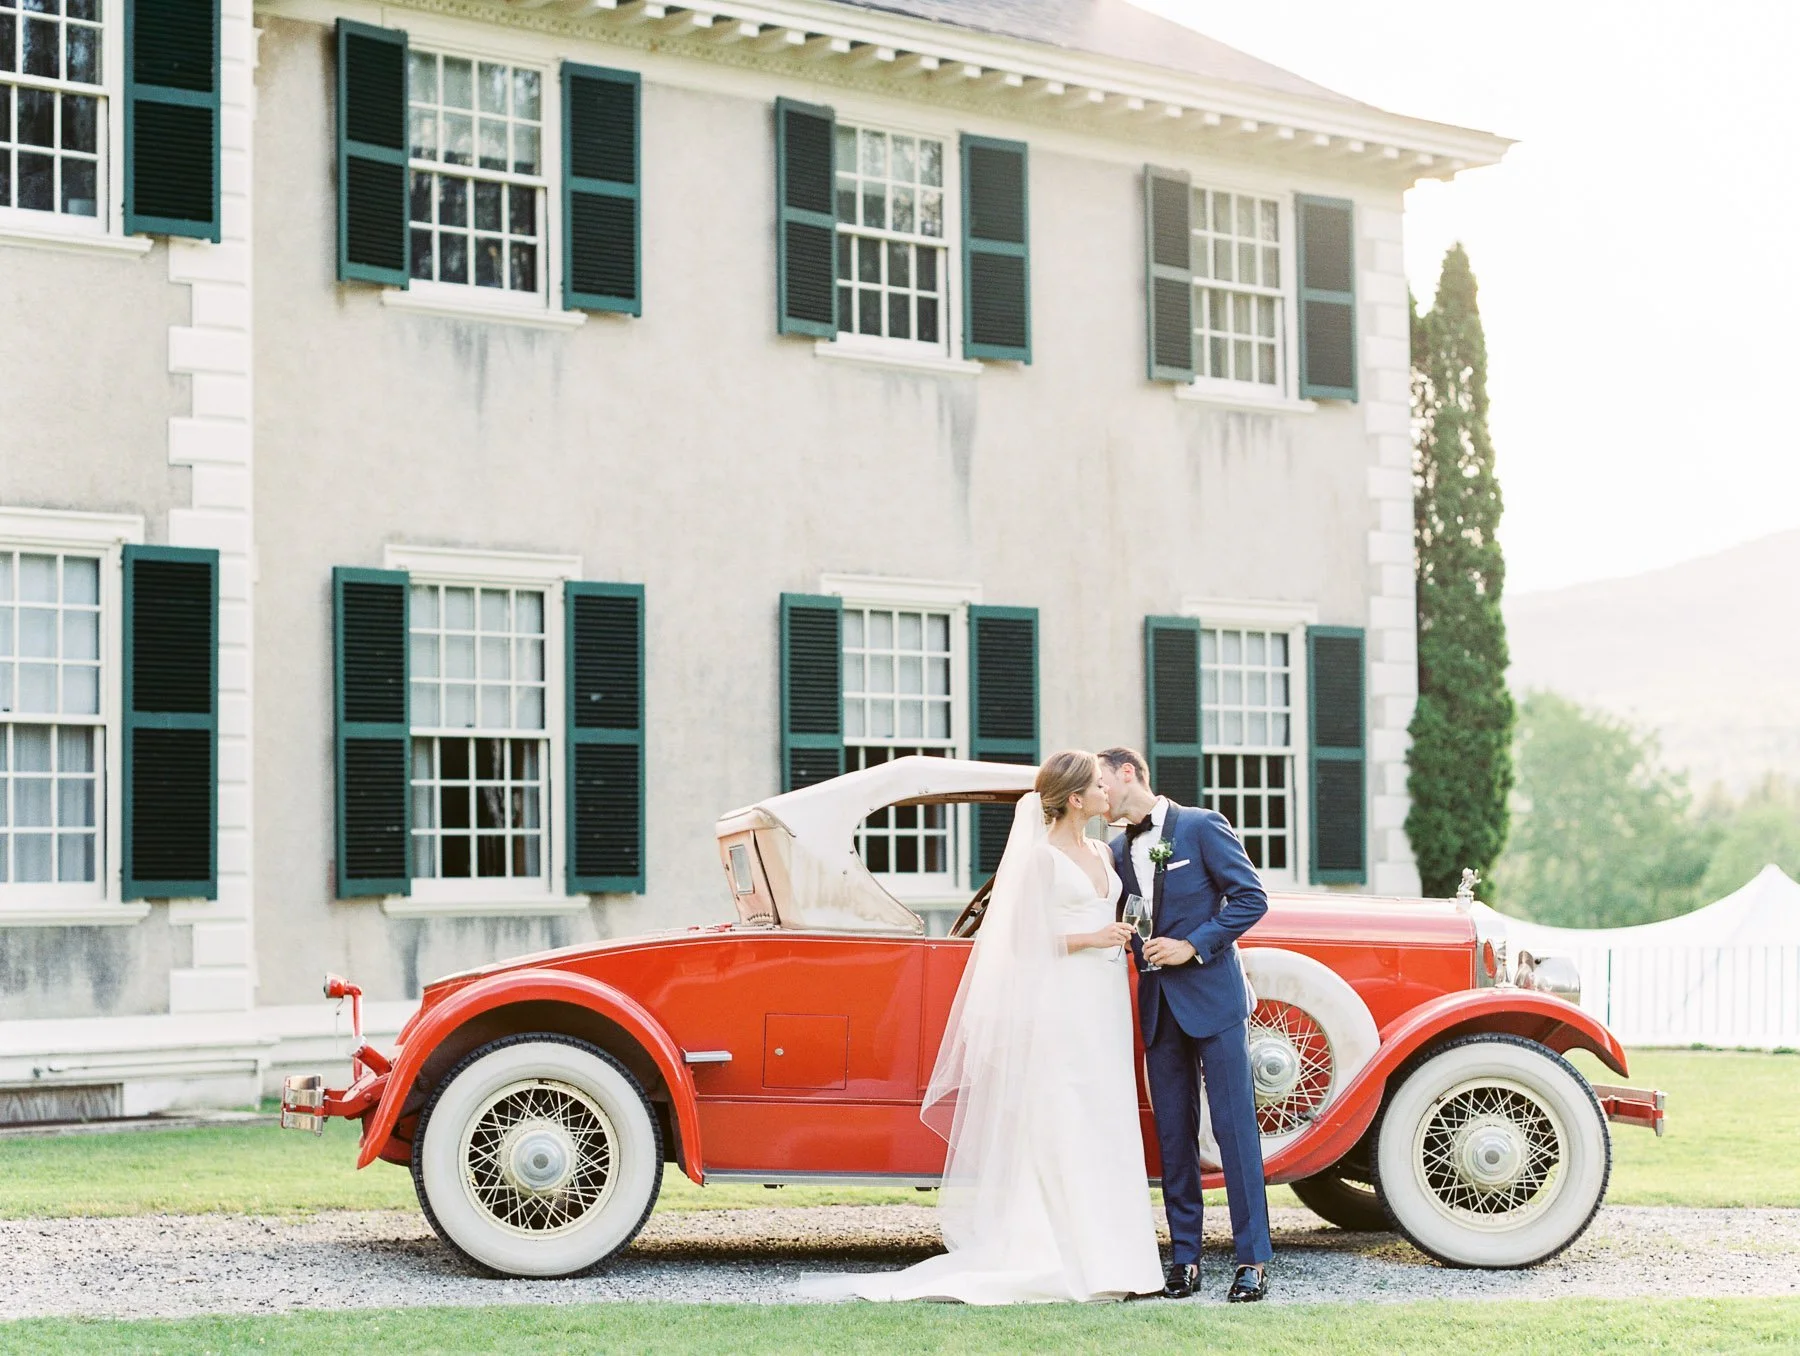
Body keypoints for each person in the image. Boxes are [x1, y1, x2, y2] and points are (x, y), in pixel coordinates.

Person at [816, 750, 1164, 1304]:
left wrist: (1116, 932)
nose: (1108, 794)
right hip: (1061, 1000)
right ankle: (1059, 1254)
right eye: (1098, 787)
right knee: (1062, 1115)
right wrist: (1090, 939)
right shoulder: (1040, 860)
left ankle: (1119, 1258)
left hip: (1102, 1000)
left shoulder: (1102, 849)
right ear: (1075, 799)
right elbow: (1019, 940)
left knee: (1104, 1114)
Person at [1096, 746, 1272, 1303]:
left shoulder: (1201, 826)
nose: (1099, 797)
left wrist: (1192, 946)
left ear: (1128, 774)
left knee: (1234, 1132)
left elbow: (1251, 899)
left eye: (1102, 784)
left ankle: (1252, 1261)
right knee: (1173, 1135)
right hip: (1156, 1007)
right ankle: (1186, 1260)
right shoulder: (1118, 850)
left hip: (1215, 1003)